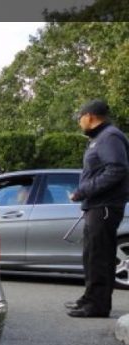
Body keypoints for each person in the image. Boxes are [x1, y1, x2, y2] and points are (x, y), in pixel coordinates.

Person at [65, 100, 129, 318]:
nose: (79, 122)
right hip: (96, 205)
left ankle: (98, 306)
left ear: (89, 116)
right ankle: (90, 298)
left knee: (100, 256)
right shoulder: (100, 138)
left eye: (80, 117)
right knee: (91, 255)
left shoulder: (110, 136)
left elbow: (117, 169)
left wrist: (83, 191)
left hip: (105, 206)